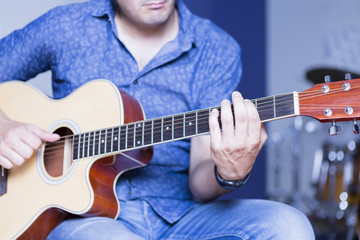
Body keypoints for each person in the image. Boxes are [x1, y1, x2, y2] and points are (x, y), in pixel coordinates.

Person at [0, 0, 315, 239]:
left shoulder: (216, 48)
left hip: (182, 217)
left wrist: (230, 171)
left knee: (289, 225)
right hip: (85, 220)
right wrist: (3, 126)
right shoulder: (66, 25)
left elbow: (200, 183)